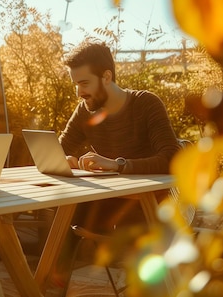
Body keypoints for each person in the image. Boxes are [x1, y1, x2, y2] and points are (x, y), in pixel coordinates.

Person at [53, 39, 181, 286]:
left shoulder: (146, 104)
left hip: (149, 208)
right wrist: (64, 160)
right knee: (65, 212)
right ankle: (48, 286)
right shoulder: (85, 110)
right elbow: (58, 148)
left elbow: (171, 158)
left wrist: (118, 164)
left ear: (106, 77)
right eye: (75, 85)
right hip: (109, 203)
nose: (79, 93)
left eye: (84, 83)